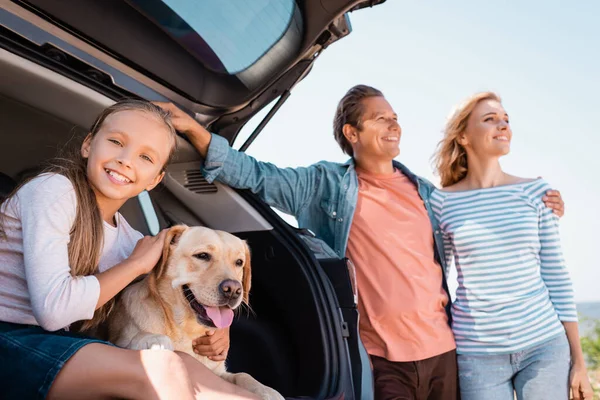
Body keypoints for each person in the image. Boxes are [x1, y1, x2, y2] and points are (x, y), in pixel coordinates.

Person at [156, 85, 565, 400]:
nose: (394, 125)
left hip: (445, 352)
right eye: (381, 119)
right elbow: (259, 174)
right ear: (352, 132)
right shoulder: (325, 186)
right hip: (383, 360)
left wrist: (541, 203)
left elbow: (481, 223)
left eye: (395, 117)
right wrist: (196, 131)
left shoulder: (428, 193)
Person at [0, 100, 258, 400]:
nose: (125, 160)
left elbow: (170, 291)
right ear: (87, 145)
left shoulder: (130, 240)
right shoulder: (53, 191)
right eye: (115, 141)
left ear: (156, 179)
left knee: (187, 364)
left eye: (146, 157)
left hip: (56, 340)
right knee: (164, 370)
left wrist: (217, 324)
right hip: (10, 334)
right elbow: (54, 312)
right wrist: (135, 265)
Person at [430, 92, 593, 400]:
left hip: (543, 345)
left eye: (506, 119)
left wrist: (579, 363)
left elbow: (557, 277)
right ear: (463, 136)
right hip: (477, 353)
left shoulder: (536, 192)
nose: (503, 125)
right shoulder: (440, 203)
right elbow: (436, 279)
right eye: (490, 119)